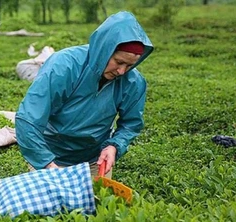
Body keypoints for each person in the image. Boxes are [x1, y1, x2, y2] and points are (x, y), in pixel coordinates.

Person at [15, 11, 154, 177]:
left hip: (94, 160)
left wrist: (114, 146)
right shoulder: (64, 65)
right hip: (48, 155)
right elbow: (28, 119)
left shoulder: (133, 82)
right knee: (51, 202)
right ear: (105, 50)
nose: (122, 71)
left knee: (97, 201)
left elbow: (131, 124)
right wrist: (47, 164)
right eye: (119, 62)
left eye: (130, 65)